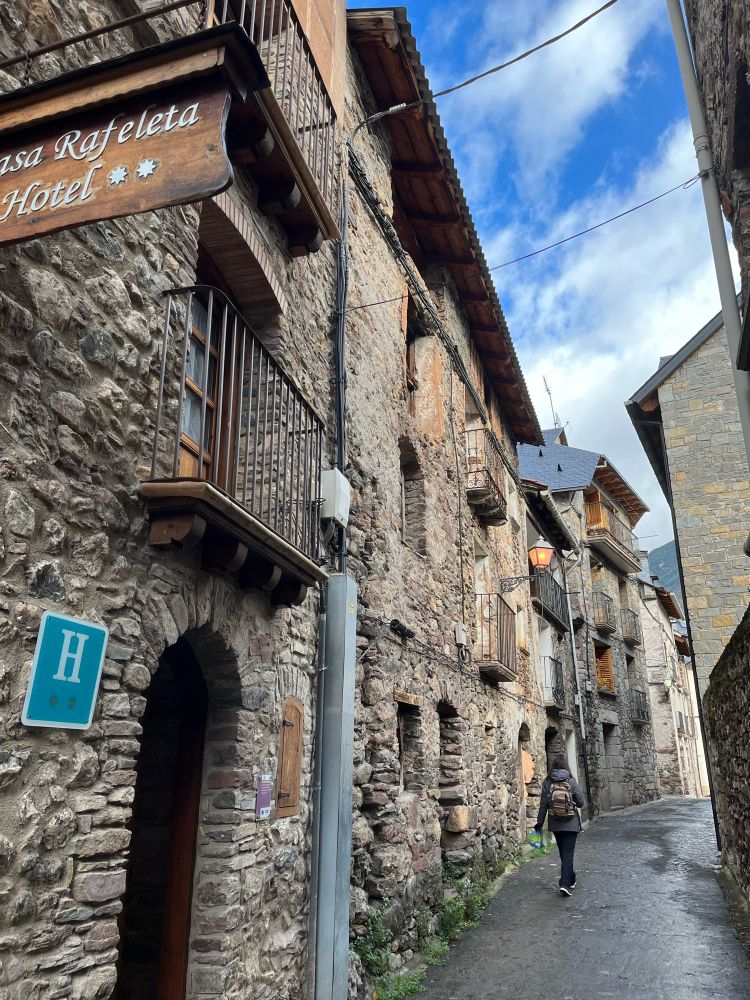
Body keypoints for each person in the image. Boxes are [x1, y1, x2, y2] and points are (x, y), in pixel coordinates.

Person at [534, 755, 584, 897]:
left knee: (564, 852)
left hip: (555, 823)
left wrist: (539, 822)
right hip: (571, 823)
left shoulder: (547, 782)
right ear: (565, 766)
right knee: (568, 853)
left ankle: (571, 877)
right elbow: (581, 803)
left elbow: (544, 804)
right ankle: (564, 883)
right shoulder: (571, 781)